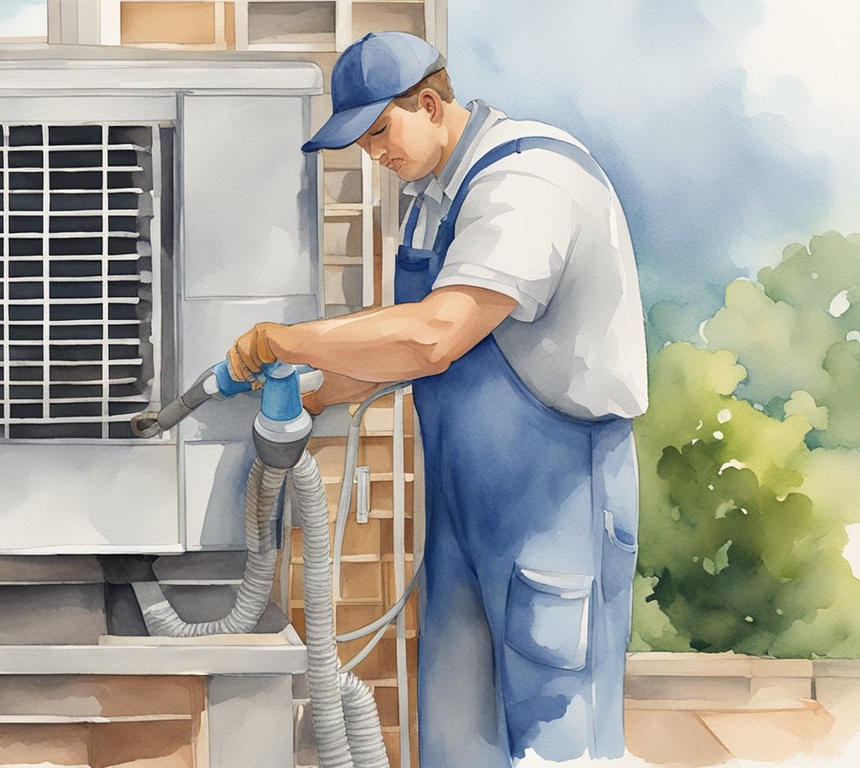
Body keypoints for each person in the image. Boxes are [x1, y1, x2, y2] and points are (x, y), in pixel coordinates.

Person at [227, 32, 648, 766]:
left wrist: (285, 341)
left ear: (429, 103)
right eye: (359, 141)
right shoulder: (430, 201)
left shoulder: (527, 183)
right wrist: (309, 397)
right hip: (461, 511)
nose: (372, 154)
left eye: (380, 131)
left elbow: (437, 337)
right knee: (457, 739)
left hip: (557, 507)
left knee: (557, 733)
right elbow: (402, 356)